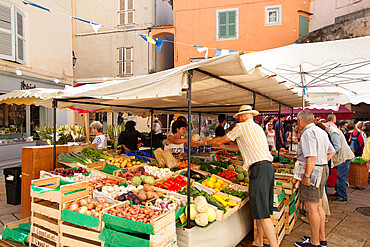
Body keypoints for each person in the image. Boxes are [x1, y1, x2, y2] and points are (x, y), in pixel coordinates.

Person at [207, 105, 278, 247]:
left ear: (242, 116)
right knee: (260, 209)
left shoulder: (241, 126)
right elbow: (240, 147)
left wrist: (204, 142)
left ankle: (274, 245)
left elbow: (221, 140)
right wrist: (223, 147)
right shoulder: (257, 127)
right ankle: (258, 241)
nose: (238, 118)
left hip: (259, 169)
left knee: (263, 214)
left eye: (239, 116)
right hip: (267, 168)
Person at [294, 110, 335, 247]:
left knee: (311, 208)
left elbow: (311, 156)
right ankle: (321, 239)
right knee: (318, 206)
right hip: (322, 168)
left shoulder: (307, 133)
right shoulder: (321, 131)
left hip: (313, 170)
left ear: (300, 120)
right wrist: (322, 163)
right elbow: (332, 151)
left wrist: (307, 175)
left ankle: (314, 242)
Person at [327, 122, 354, 202]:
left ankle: (342, 196)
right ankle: (339, 192)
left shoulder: (333, 132)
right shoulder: (333, 131)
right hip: (342, 157)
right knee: (339, 176)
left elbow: (337, 146)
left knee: (341, 177)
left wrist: (330, 155)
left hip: (343, 158)